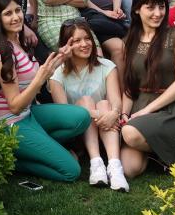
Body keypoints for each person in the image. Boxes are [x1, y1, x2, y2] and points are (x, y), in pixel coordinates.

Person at [0, 0, 90, 182]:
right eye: (8, 14)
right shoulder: (1, 53)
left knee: (81, 117)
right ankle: (12, 161)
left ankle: (40, 148)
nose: (16, 17)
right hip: (10, 124)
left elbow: (37, 74)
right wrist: (39, 80)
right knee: (71, 170)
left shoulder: (19, 42)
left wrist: (61, 57)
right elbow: (15, 106)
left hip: (29, 114)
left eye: (17, 10)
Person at [119, 0, 175, 179]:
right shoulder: (128, 41)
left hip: (170, 108)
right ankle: (159, 155)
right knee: (130, 169)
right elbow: (129, 85)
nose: (158, 13)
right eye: (150, 8)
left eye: (161, 7)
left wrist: (146, 111)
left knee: (130, 133)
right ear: (137, 9)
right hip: (140, 103)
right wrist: (125, 113)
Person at [48, 20, 127, 191]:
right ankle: (96, 163)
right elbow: (65, 113)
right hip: (78, 132)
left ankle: (114, 165)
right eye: (77, 41)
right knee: (85, 101)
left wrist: (114, 113)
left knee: (105, 103)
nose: (84, 44)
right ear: (66, 45)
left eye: (87, 38)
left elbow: (115, 100)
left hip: (107, 128)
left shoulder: (107, 66)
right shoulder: (57, 74)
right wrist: (96, 114)